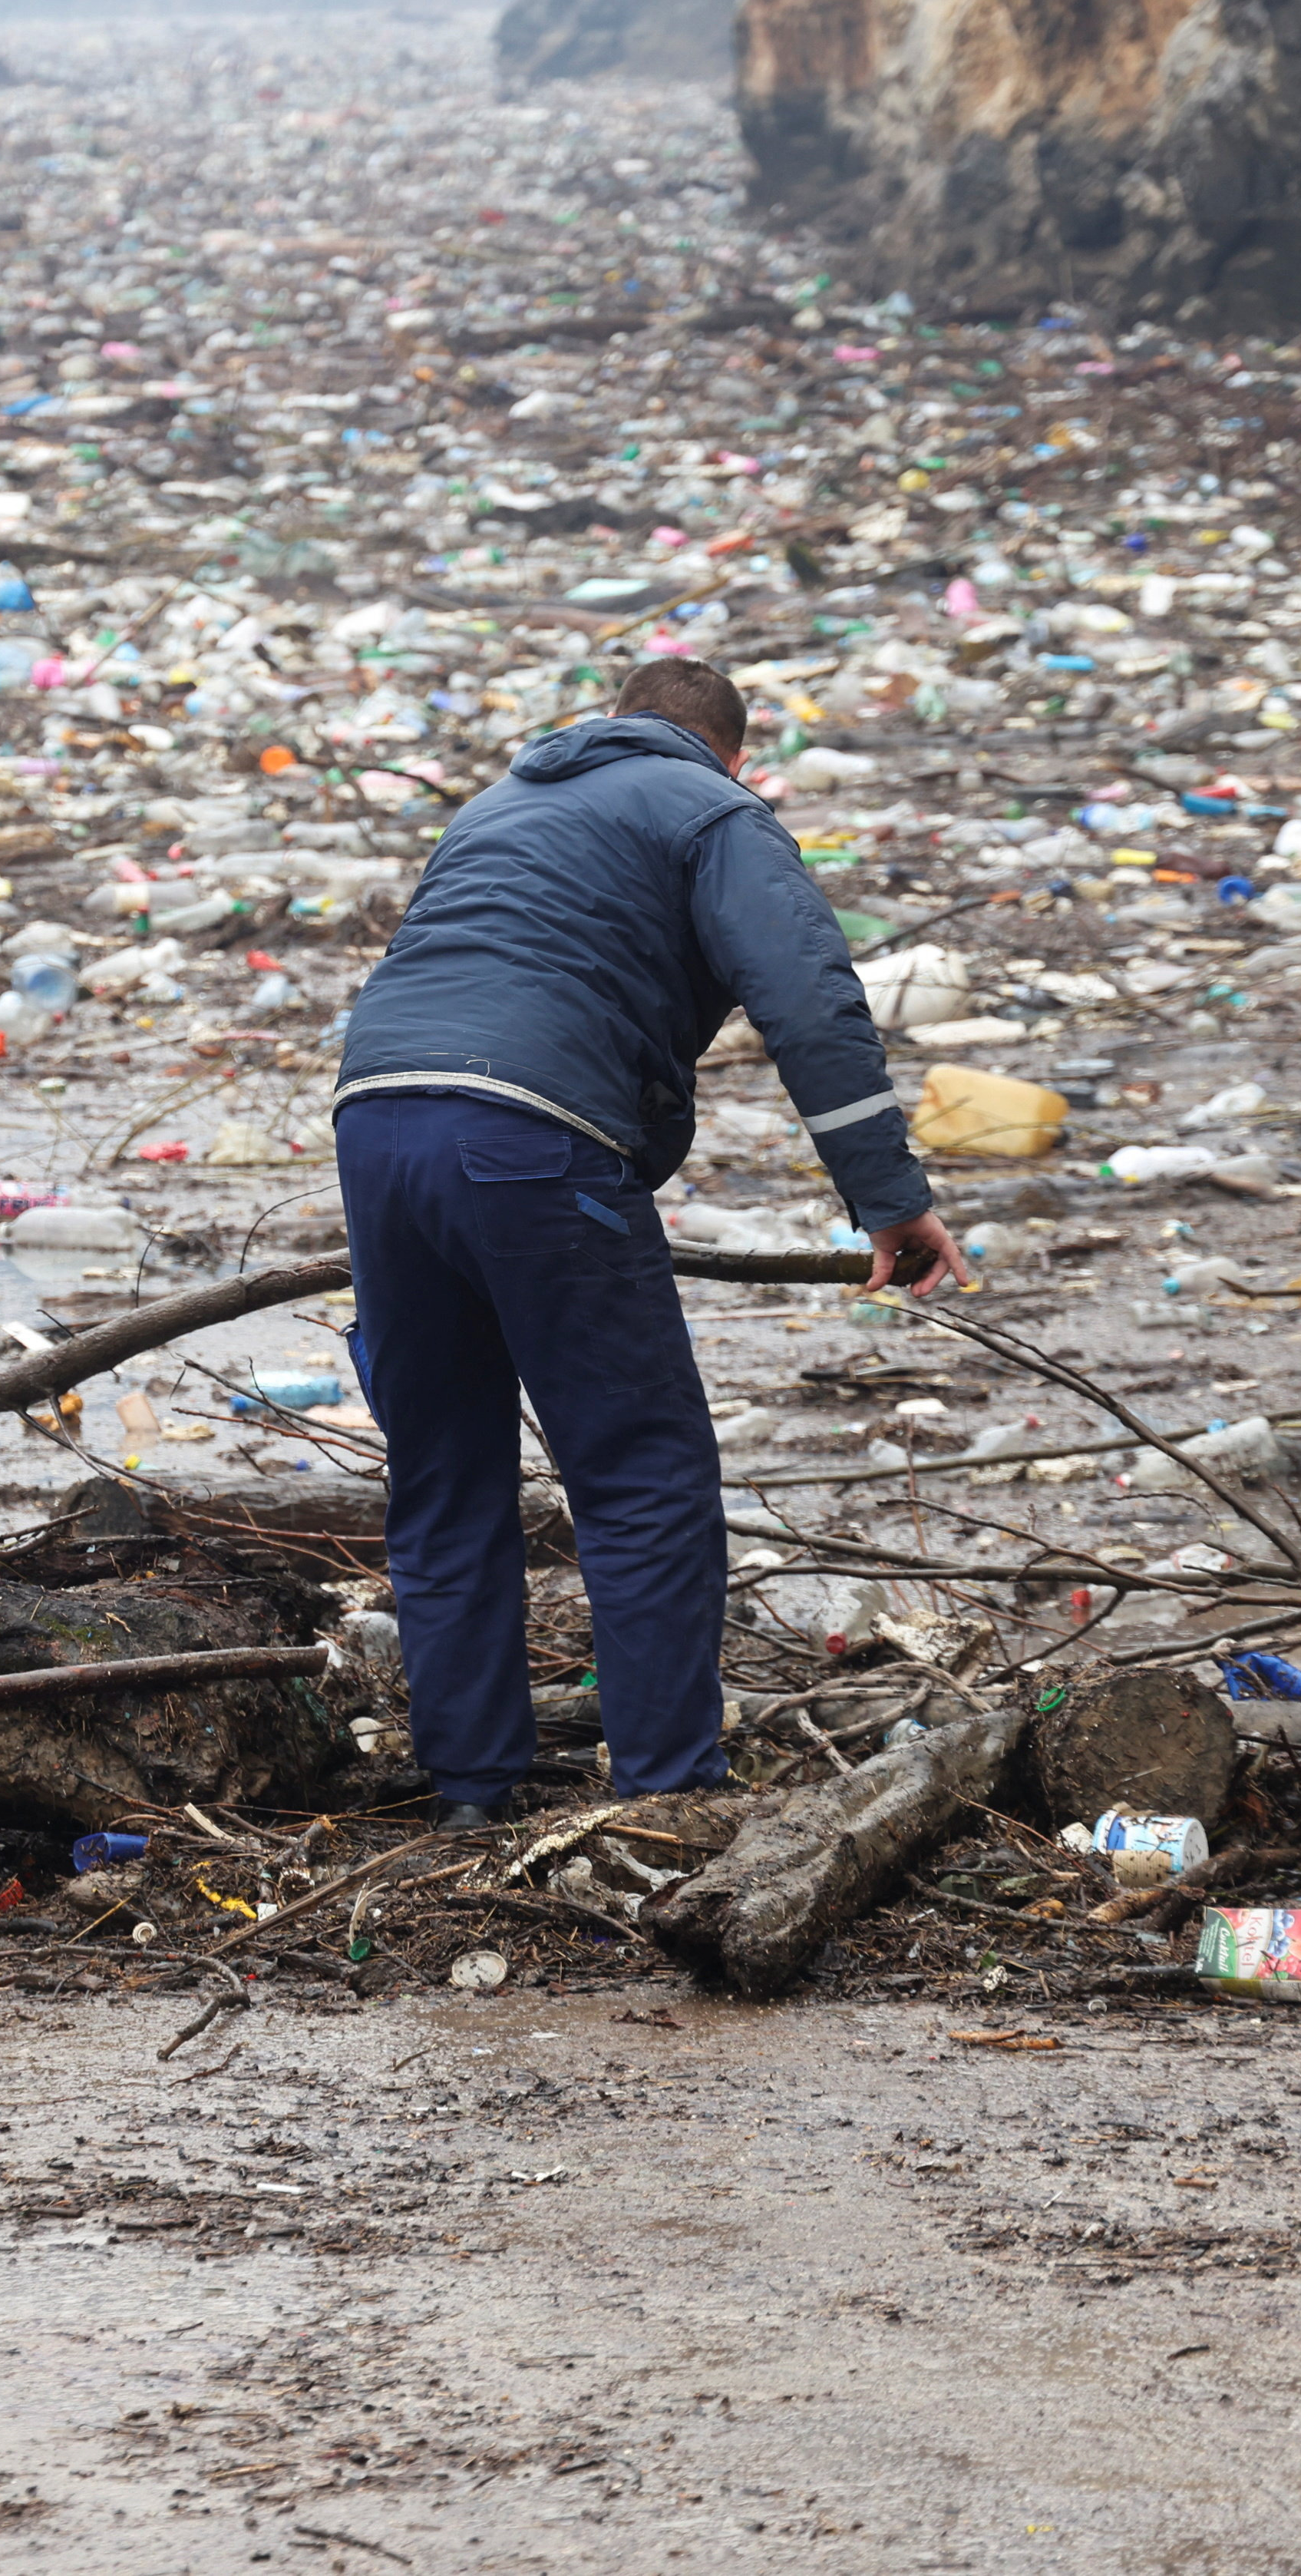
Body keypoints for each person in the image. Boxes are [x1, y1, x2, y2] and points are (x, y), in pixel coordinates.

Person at [330, 657, 968, 1827]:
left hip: (376, 1119)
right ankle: (666, 1795)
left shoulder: (498, 802)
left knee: (443, 1470)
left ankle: (471, 1789)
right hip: (532, 1136)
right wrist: (888, 1198)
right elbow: (810, 1000)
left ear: (614, 719)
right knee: (641, 1475)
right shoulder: (715, 809)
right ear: (735, 754)